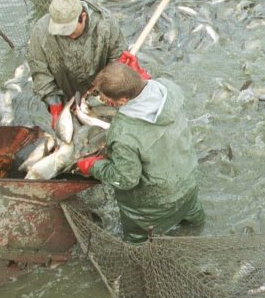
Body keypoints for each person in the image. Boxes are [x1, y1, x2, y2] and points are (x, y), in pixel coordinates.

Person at [76, 62, 205, 243]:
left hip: (153, 205)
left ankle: (139, 252)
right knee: (193, 216)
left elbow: (126, 180)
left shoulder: (123, 133)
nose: (104, 101)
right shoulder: (170, 89)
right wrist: (142, 78)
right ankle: (199, 229)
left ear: (122, 101)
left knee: (139, 239)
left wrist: (94, 165)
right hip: (188, 183)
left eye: (106, 99)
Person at [26, 0, 149, 129]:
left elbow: (117, 57)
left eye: (70, 30)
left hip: (101, 86)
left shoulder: (106, 23)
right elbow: (40, 73)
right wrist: (55, 106)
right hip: (67, 87)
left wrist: (110, 87)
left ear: (83, 17)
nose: (67, 35)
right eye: (62, 32)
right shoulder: (40, 32)